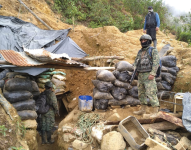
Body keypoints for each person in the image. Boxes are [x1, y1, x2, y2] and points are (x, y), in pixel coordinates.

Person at [133, 34, 160, 116]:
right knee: (141, 93)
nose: (143, 42)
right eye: (142, 40)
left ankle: (155, 111)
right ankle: (143, 110)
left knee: (151, 93)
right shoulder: (140, 52)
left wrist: (153, 73)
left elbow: (156, 62)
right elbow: (136, 62)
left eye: (145, 40)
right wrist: (135, 69)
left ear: (148, 41)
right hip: (140, 75)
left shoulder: (153, 50)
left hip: (149, 75)